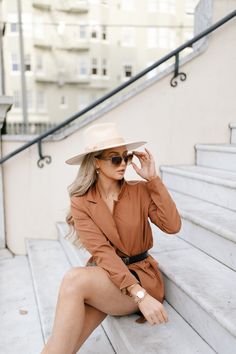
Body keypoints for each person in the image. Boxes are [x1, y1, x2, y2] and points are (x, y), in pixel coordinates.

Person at [41, 122, 181, 354]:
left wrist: (153, 179)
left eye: (125, 157)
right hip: (109, 277)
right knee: (62, 347)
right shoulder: (81, 201)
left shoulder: (140, 191)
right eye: (115, 159)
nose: (124, 164)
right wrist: (137, 295)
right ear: (96, 162)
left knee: (74, 280)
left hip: (142, 276)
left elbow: (173, 225)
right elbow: (103, 253)